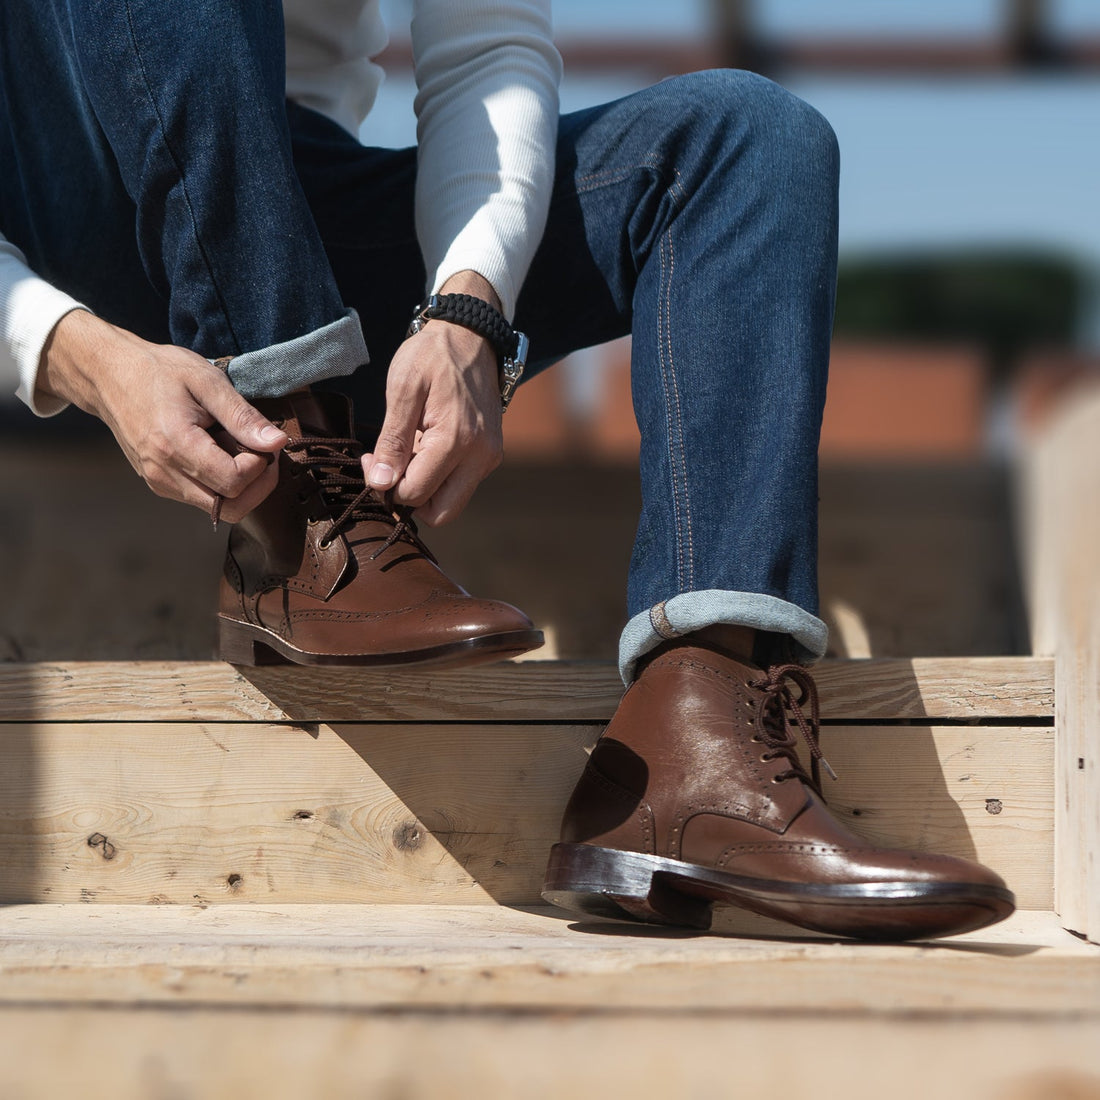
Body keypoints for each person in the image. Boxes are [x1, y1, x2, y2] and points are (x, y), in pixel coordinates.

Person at [0, 0, 1014, 940]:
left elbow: (486, 44)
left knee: (744, 140)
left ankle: (696, 752)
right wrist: (68, 348)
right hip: (50, 224)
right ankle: (291, 503)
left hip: (281, 209)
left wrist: (467, 308)